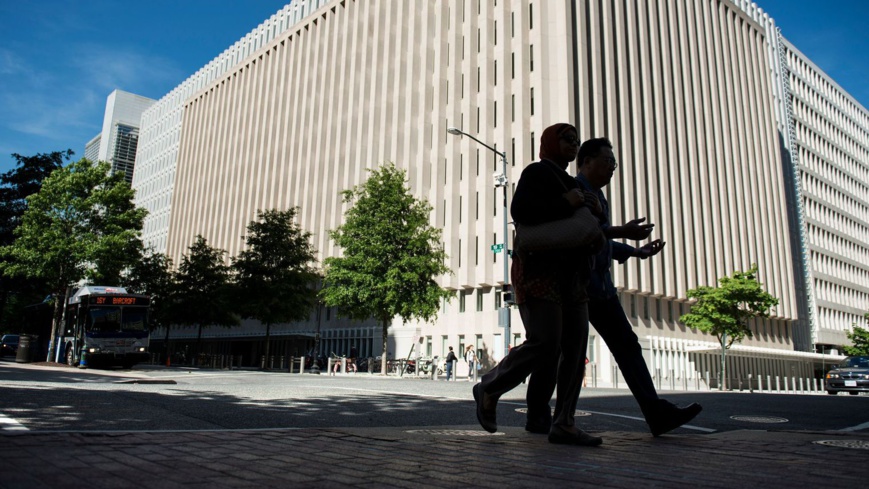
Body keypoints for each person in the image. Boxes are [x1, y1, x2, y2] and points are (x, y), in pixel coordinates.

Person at [524, 137, 702, 437]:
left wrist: (636, 251)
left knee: (624, 347)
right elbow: (582, 233)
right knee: (557, 352)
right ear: (587, 161)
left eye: (614, 163)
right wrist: (625, 233)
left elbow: (599, 240)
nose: (612, 169)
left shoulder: (599, 198)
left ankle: (654, 413)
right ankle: (538, 414)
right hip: (575, 287)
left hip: (600, 289)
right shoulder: (575, 190)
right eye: (608, 162)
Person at [472, 123, 603, 446]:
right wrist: (566, 203)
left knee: (573, 349)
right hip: (541, 272)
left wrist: (594, 212)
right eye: (566, 139)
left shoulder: (573, 182)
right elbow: (521, 211)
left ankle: (564, 422)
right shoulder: (537, 172)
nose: (574, 145)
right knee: (546, 341)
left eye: (577, 140)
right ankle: (490, 385)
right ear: (549, 143)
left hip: (573, 275)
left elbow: (583, 226)